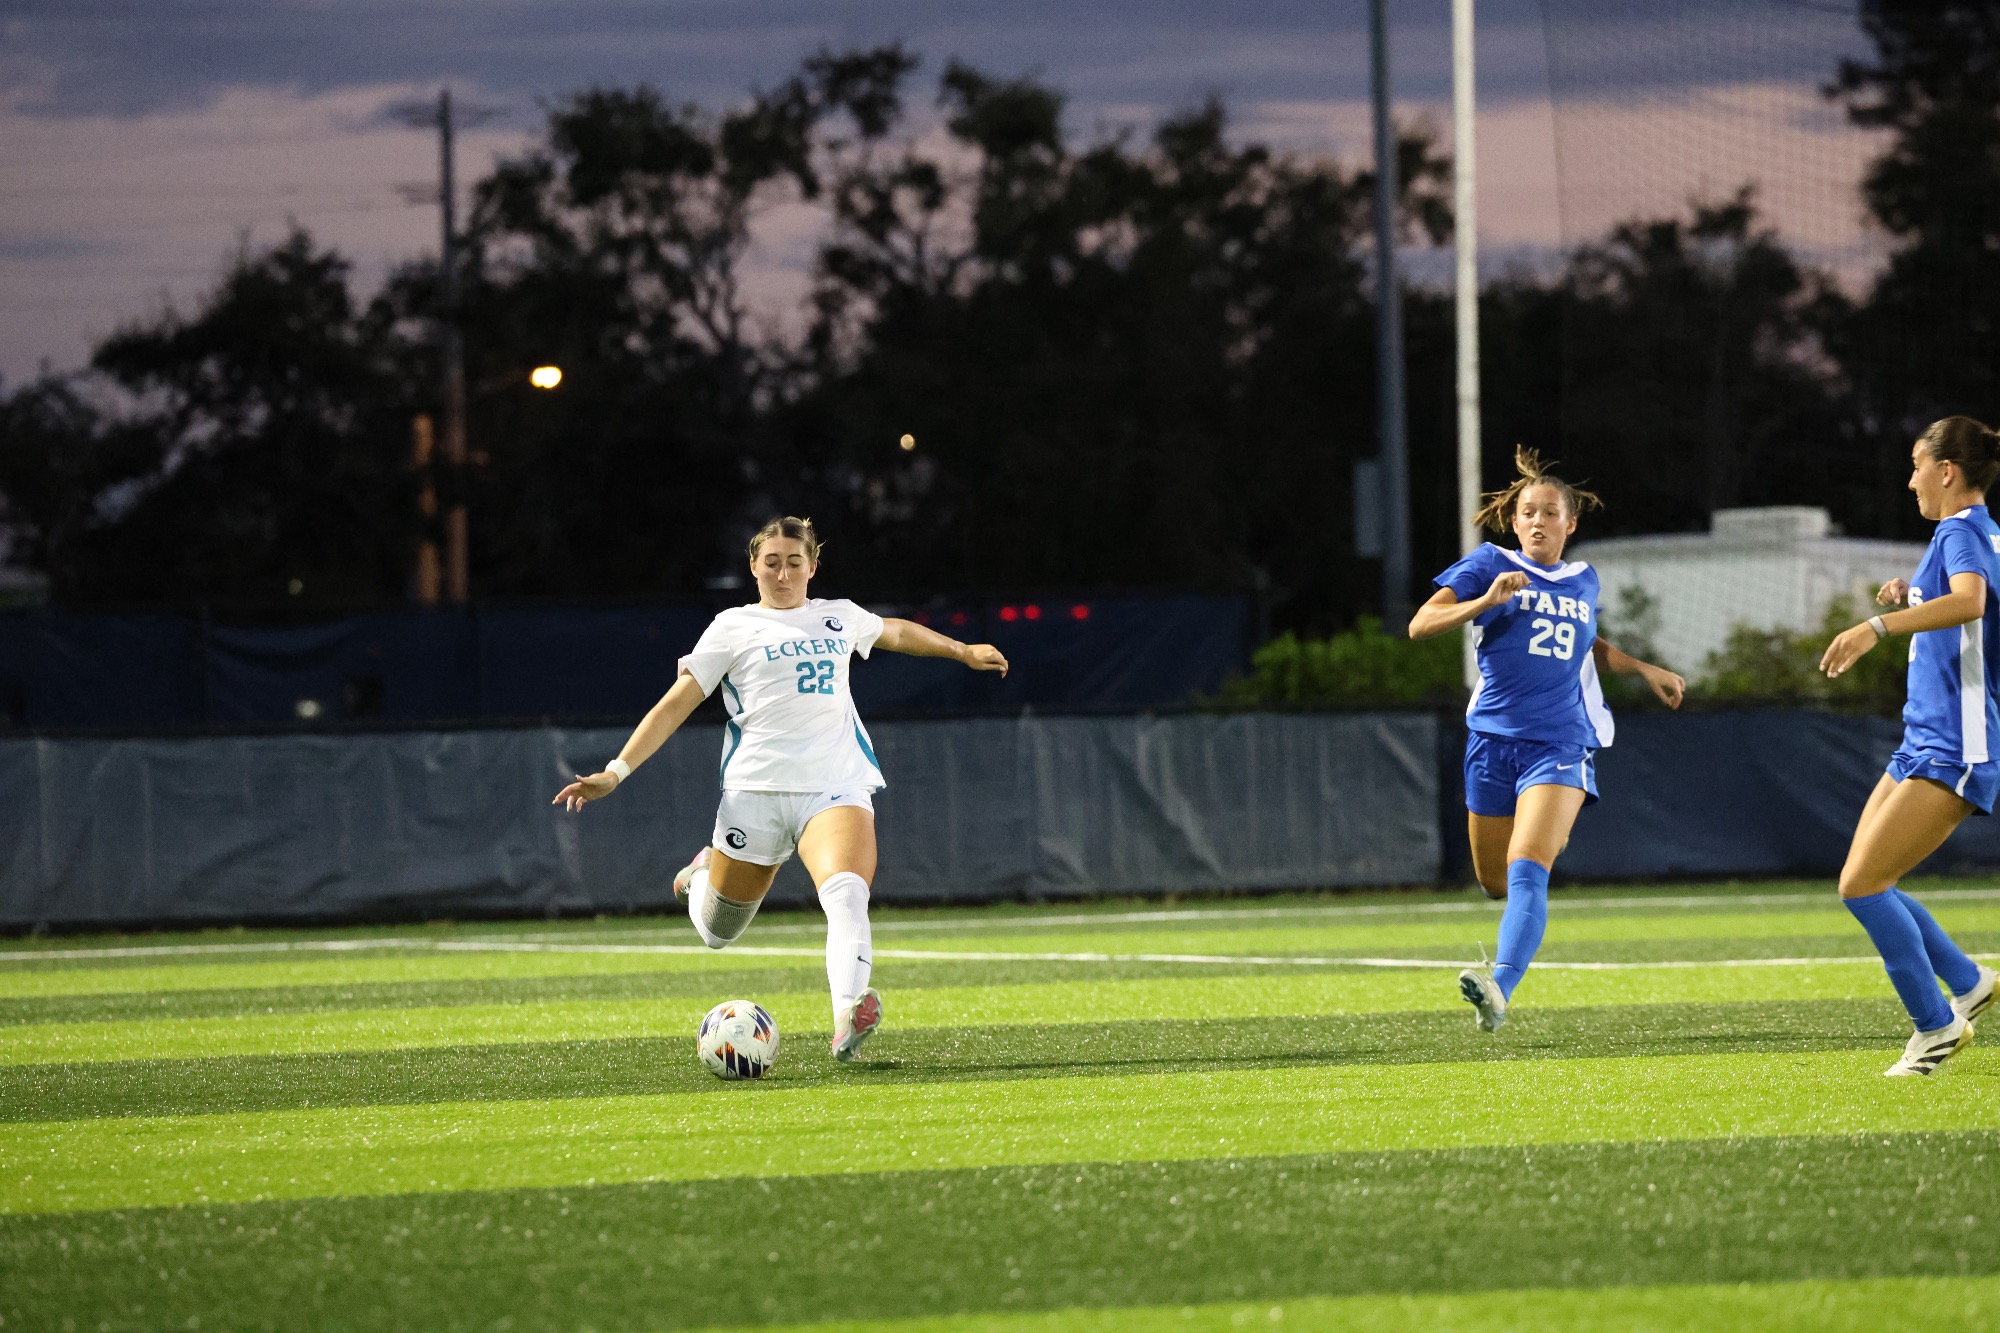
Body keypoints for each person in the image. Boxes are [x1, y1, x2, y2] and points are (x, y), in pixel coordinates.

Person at [553, 515, 1009, 1062]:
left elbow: (895, 631)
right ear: (754, 567)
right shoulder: (732, 627)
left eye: (795, 562)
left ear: (813, 567)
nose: (784, 573)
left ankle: (848, 1016)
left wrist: (960, 650)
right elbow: (677, 701)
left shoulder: (838, 617)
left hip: (834, 786)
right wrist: (615, 771)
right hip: (756, 792)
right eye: (772, 562)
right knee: (718, 933)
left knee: (845, 892)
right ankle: (700, 876)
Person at [1409, 446, 1686, 1032]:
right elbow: (1420, 624)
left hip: (1560, 741)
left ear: (1571, 523)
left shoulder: (1585, 579)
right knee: (1493, 880)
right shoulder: (1489, 564)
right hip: (1491, 741)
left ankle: (1499, 988)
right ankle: (1509, 934)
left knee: (1527, 865)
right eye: (1528, 512)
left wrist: (1643, 668)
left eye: (1550, 512)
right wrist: (1485, 603)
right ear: (1515, 521)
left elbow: (1587, 643)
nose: (1538, 520)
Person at [1818, 416, 2000, 1076]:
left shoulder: (1960, 530)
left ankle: (1936, 1027)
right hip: (1925, 739)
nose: (1911, 478)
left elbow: (1972, 602)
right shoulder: (1966, 534)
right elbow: (1958, 599)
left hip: (1956, 744)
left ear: (1947, 470)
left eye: (1918, 465)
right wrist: (1911, 592)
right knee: (1870, 878)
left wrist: (1877, 624)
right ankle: (1970, 982)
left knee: (1863, 886)